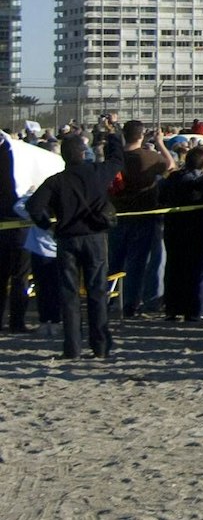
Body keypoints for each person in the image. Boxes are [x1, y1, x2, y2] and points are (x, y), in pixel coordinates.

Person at [25, 126, 127, 359]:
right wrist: (112, 134)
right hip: (95, 238)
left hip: (67, 238)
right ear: (84, 153)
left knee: (69, 295)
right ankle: (100, 346)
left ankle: (72, 348)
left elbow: (33, 206)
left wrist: (45, 225)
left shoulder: (55, 181)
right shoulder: (97, 172)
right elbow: (117, 160)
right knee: (96, 292)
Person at [110, 120, 173, 317]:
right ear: (142, 136)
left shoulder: (115, 157)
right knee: (137, 263)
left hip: (117, 213)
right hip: (144, 215)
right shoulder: (149, 157)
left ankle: (111, 299)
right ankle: (130, 303)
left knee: (115, 260)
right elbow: (171, 166)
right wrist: (160, 143)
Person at [158, 146, 203, 322]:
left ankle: (172, 308)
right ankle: (193, 310)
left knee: (174, 268)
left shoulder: (173, 178)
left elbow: (161, 197)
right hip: (198, 230)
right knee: (196, 270)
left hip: (174, 228)